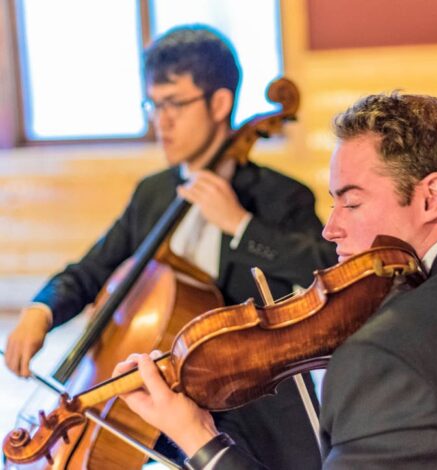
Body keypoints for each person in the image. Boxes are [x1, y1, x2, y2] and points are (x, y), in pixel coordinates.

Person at [114, 92, 437, 469]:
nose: (331, 228)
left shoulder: (382, 354)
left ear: (432, 197)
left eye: (353, 202)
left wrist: (198, 437)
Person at [4, 24, 336, 469]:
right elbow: (91, 269)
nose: (161, 121)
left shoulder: (280, 196)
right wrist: (41, 310)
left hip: (252, 412)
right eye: (154, 105)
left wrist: (240, 225)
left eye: (174, 104)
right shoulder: (154, 194)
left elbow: (324, 269)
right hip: (150, 412)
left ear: (220, 103)